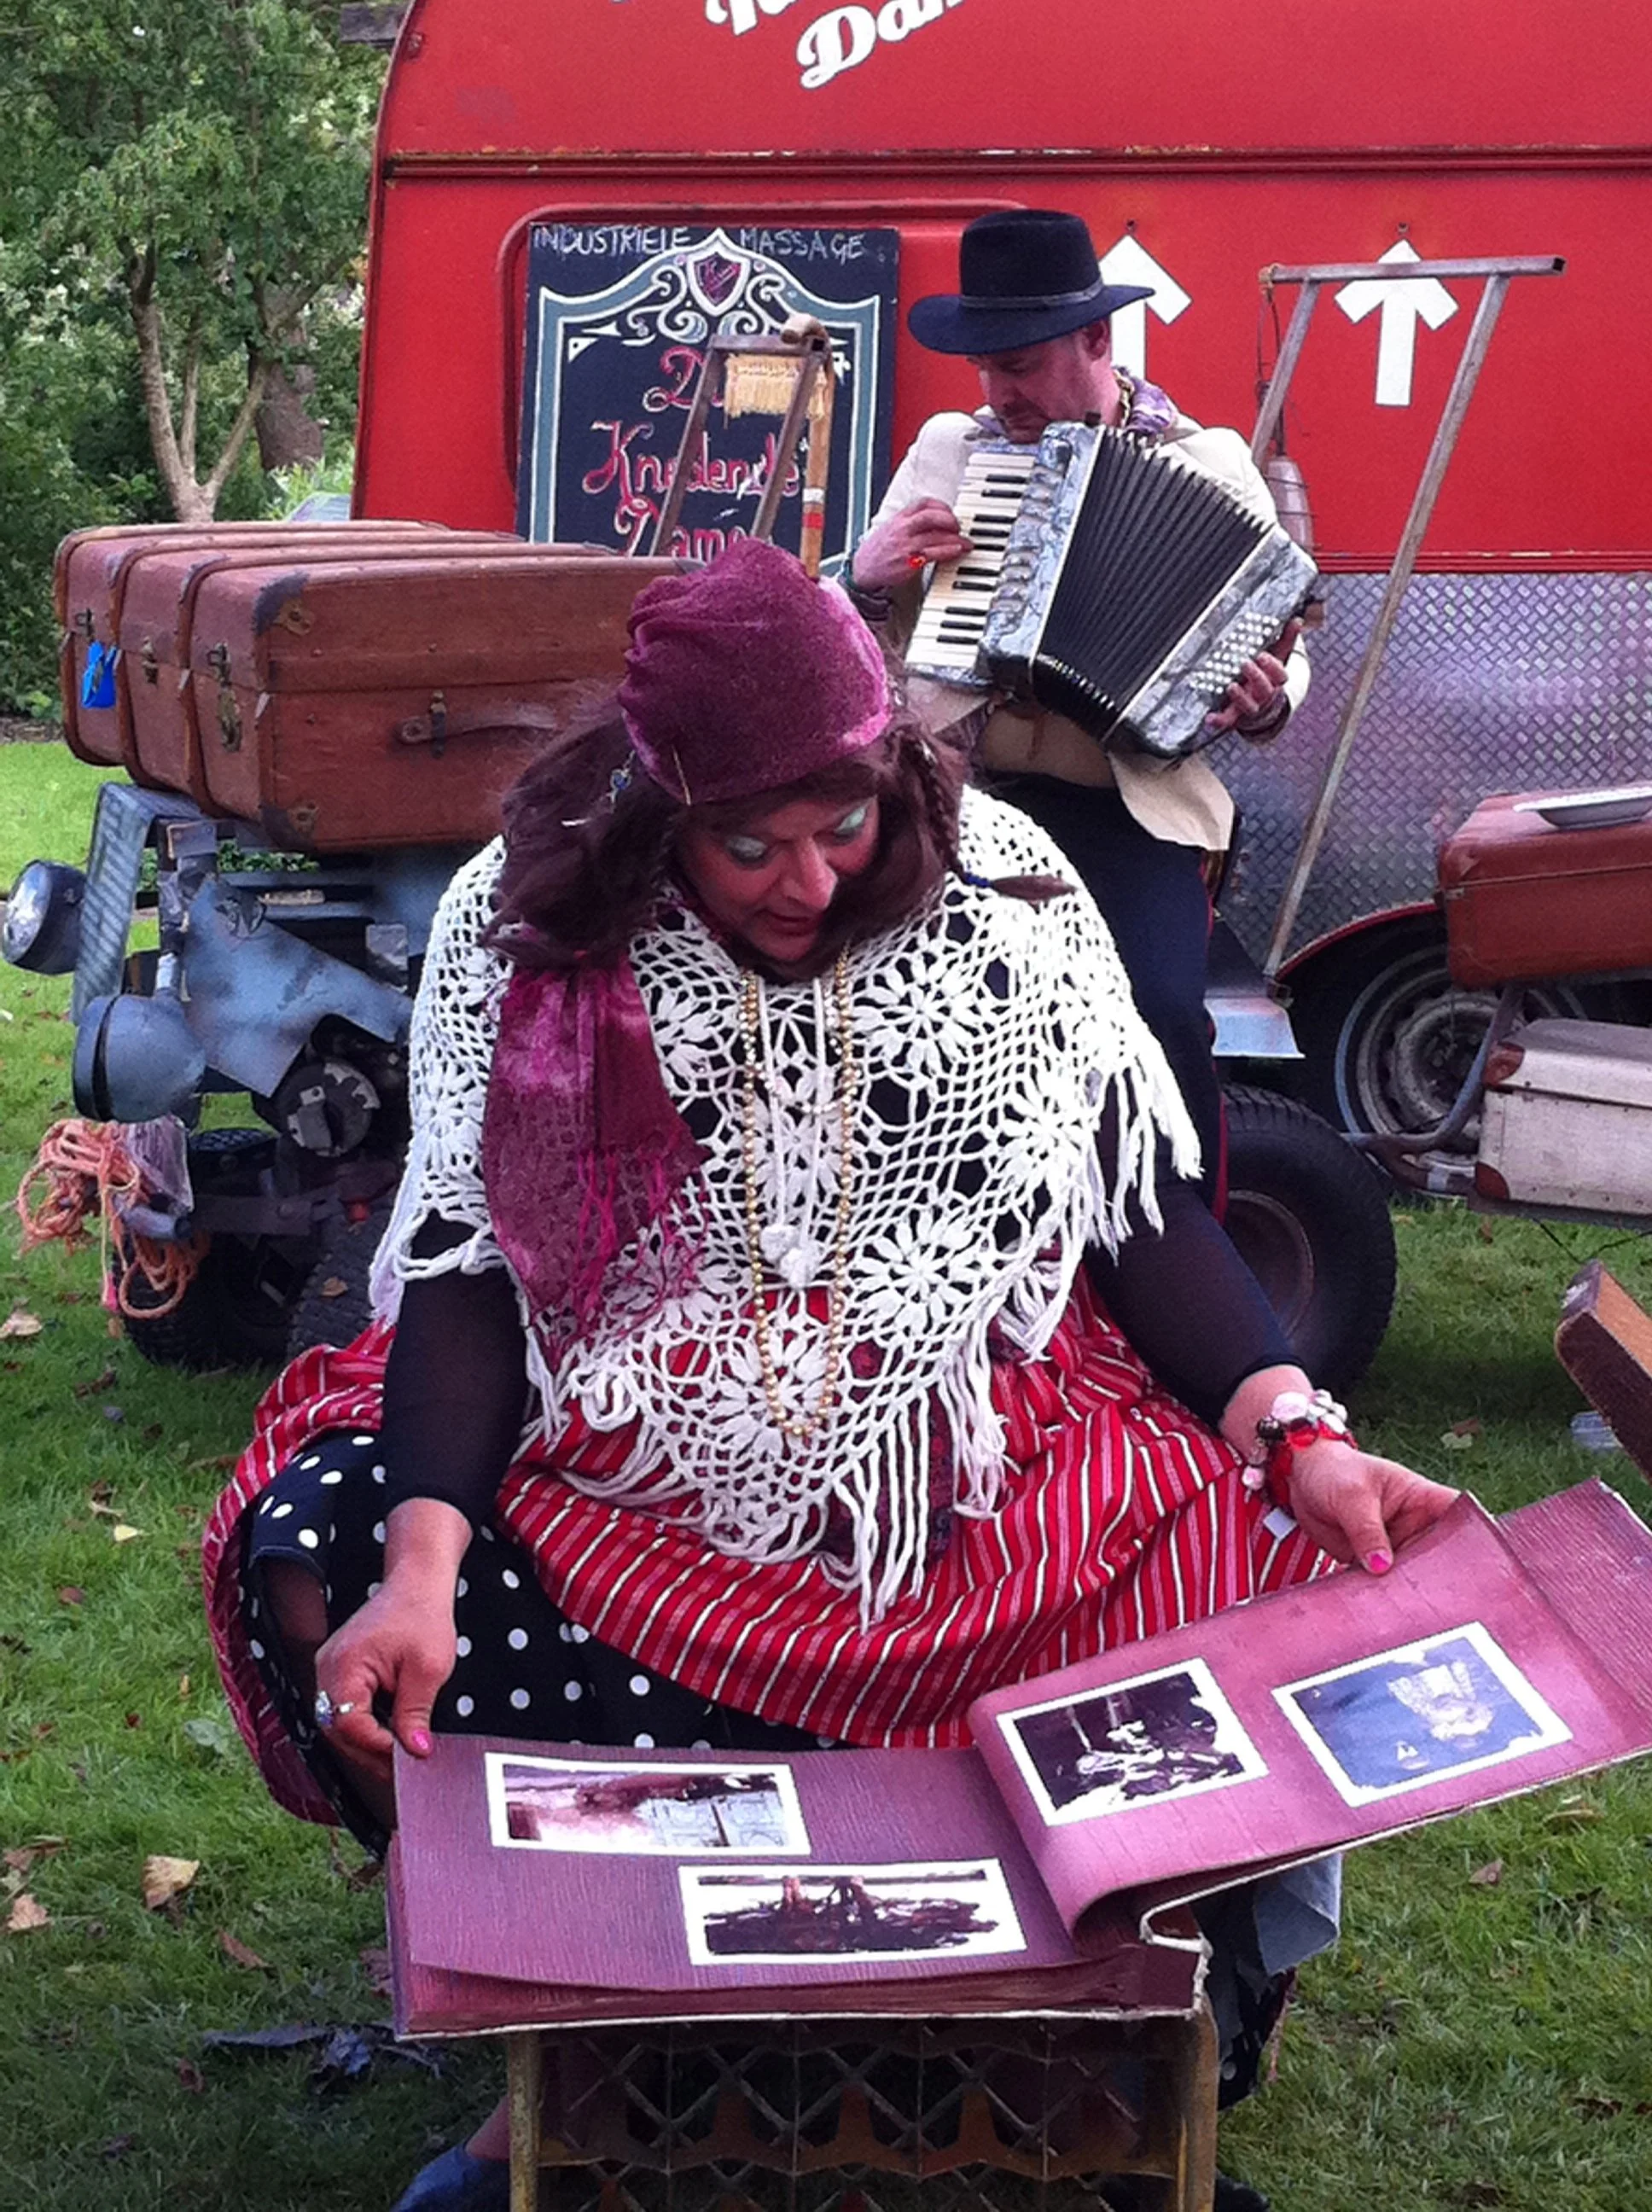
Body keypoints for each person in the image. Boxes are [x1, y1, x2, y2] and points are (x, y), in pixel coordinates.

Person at [202, 539, 1451, 2212]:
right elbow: (470, 1273)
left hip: (971, 1436)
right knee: (330, 1548)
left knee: (1249, 1551)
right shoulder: (535, 925)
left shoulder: (1003, 888)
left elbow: (1138, 1209)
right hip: (627, 1443)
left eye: (839, 828)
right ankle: (573, 2027)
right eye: (747, 844)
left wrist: (1290, 1431)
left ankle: (1085, 2024)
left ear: (891, 779)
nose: (801, 881)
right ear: (662, 811)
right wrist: (424, 1570)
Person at [848, 207, 1309, 1206]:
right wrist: (864, 575)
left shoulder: (1206, 464)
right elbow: (857, 646)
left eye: (1017, 365)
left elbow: (1281, 651)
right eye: (984, 369)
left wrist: (1261, 701)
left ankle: (1183, 1245)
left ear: (1096, 341)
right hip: (963, 795)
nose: (996, 394)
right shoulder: (946, 452)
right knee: (916, 1015)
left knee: (1161, 1014)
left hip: (1123, 809)